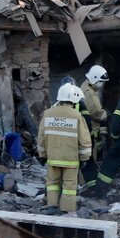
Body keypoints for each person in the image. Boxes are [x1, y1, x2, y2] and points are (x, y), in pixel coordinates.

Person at [36, 83, 92, 212]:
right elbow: (84, 140)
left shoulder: (48, 113)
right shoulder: (77, 116)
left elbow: (41, 137)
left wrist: (42, 155)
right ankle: (66, 209)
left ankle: (52, 205)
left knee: (52, 184)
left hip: (53, 158)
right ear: (73, 98)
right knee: (69, 186)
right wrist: (84, 158)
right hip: (70, 160)